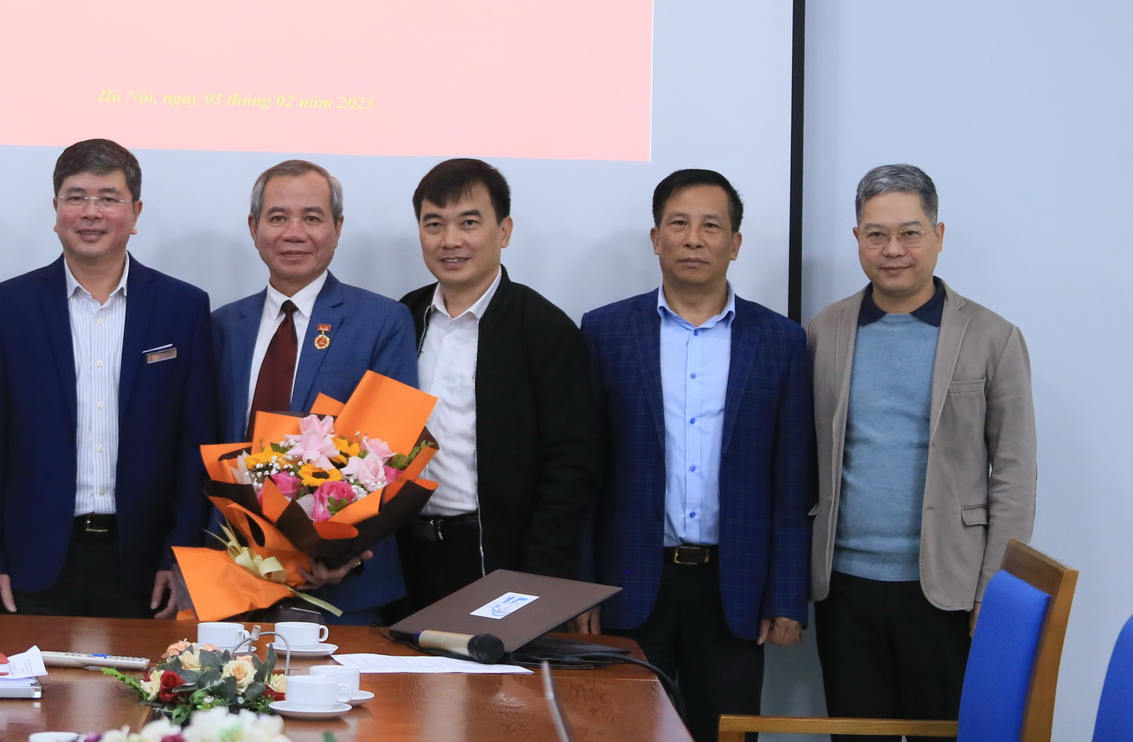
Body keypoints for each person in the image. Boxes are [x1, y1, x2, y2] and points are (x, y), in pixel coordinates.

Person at [581, 169, 813, 742]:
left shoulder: (780, 340)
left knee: (726, 733)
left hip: (733, 587)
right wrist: (582, 589)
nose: (693, 239)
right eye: (678, 224)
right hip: (630, 582)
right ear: (655, 238)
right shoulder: (605, 331)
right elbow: (586, 476)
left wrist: (786, 594)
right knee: (622, 732)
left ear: (734, 243)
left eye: (711, 226)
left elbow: (792, 481)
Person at [807, 165, 1036, 741]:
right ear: (857, 238)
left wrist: (992, 592)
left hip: (948, 590)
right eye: (876, 234)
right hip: (844, 587)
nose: (893, 250)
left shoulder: (993, 337)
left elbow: (1014, 475)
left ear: (938, 235)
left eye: (909, 233)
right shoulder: (825, 331)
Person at [0, 139, 215, 618]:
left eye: (108, 198)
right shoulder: (8, 306)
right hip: (31, 562)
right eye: (76, 197)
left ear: (135, 212)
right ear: (56, 208)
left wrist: (182, 554)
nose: (91, 212)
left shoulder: (182, 307)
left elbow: (195, 445)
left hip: (146, 565)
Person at [211, 158, 419, 624]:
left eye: (312, 217)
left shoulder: (382, 321)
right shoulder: (223, 325)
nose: (294, 233)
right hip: (233, 576)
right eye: (278, 217)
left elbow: (392, 454)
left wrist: (341, 553)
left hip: (341, 584)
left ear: (337, 228)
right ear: (254, 227)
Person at [390, 158, 596, 618]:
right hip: (405, 559)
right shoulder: (403, 318)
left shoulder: (545, 329)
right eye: (434, 224)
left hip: (497, 558)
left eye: (469, 223)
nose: (450, 240)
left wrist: (537, 582)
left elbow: (571, 467)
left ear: (504, 231)